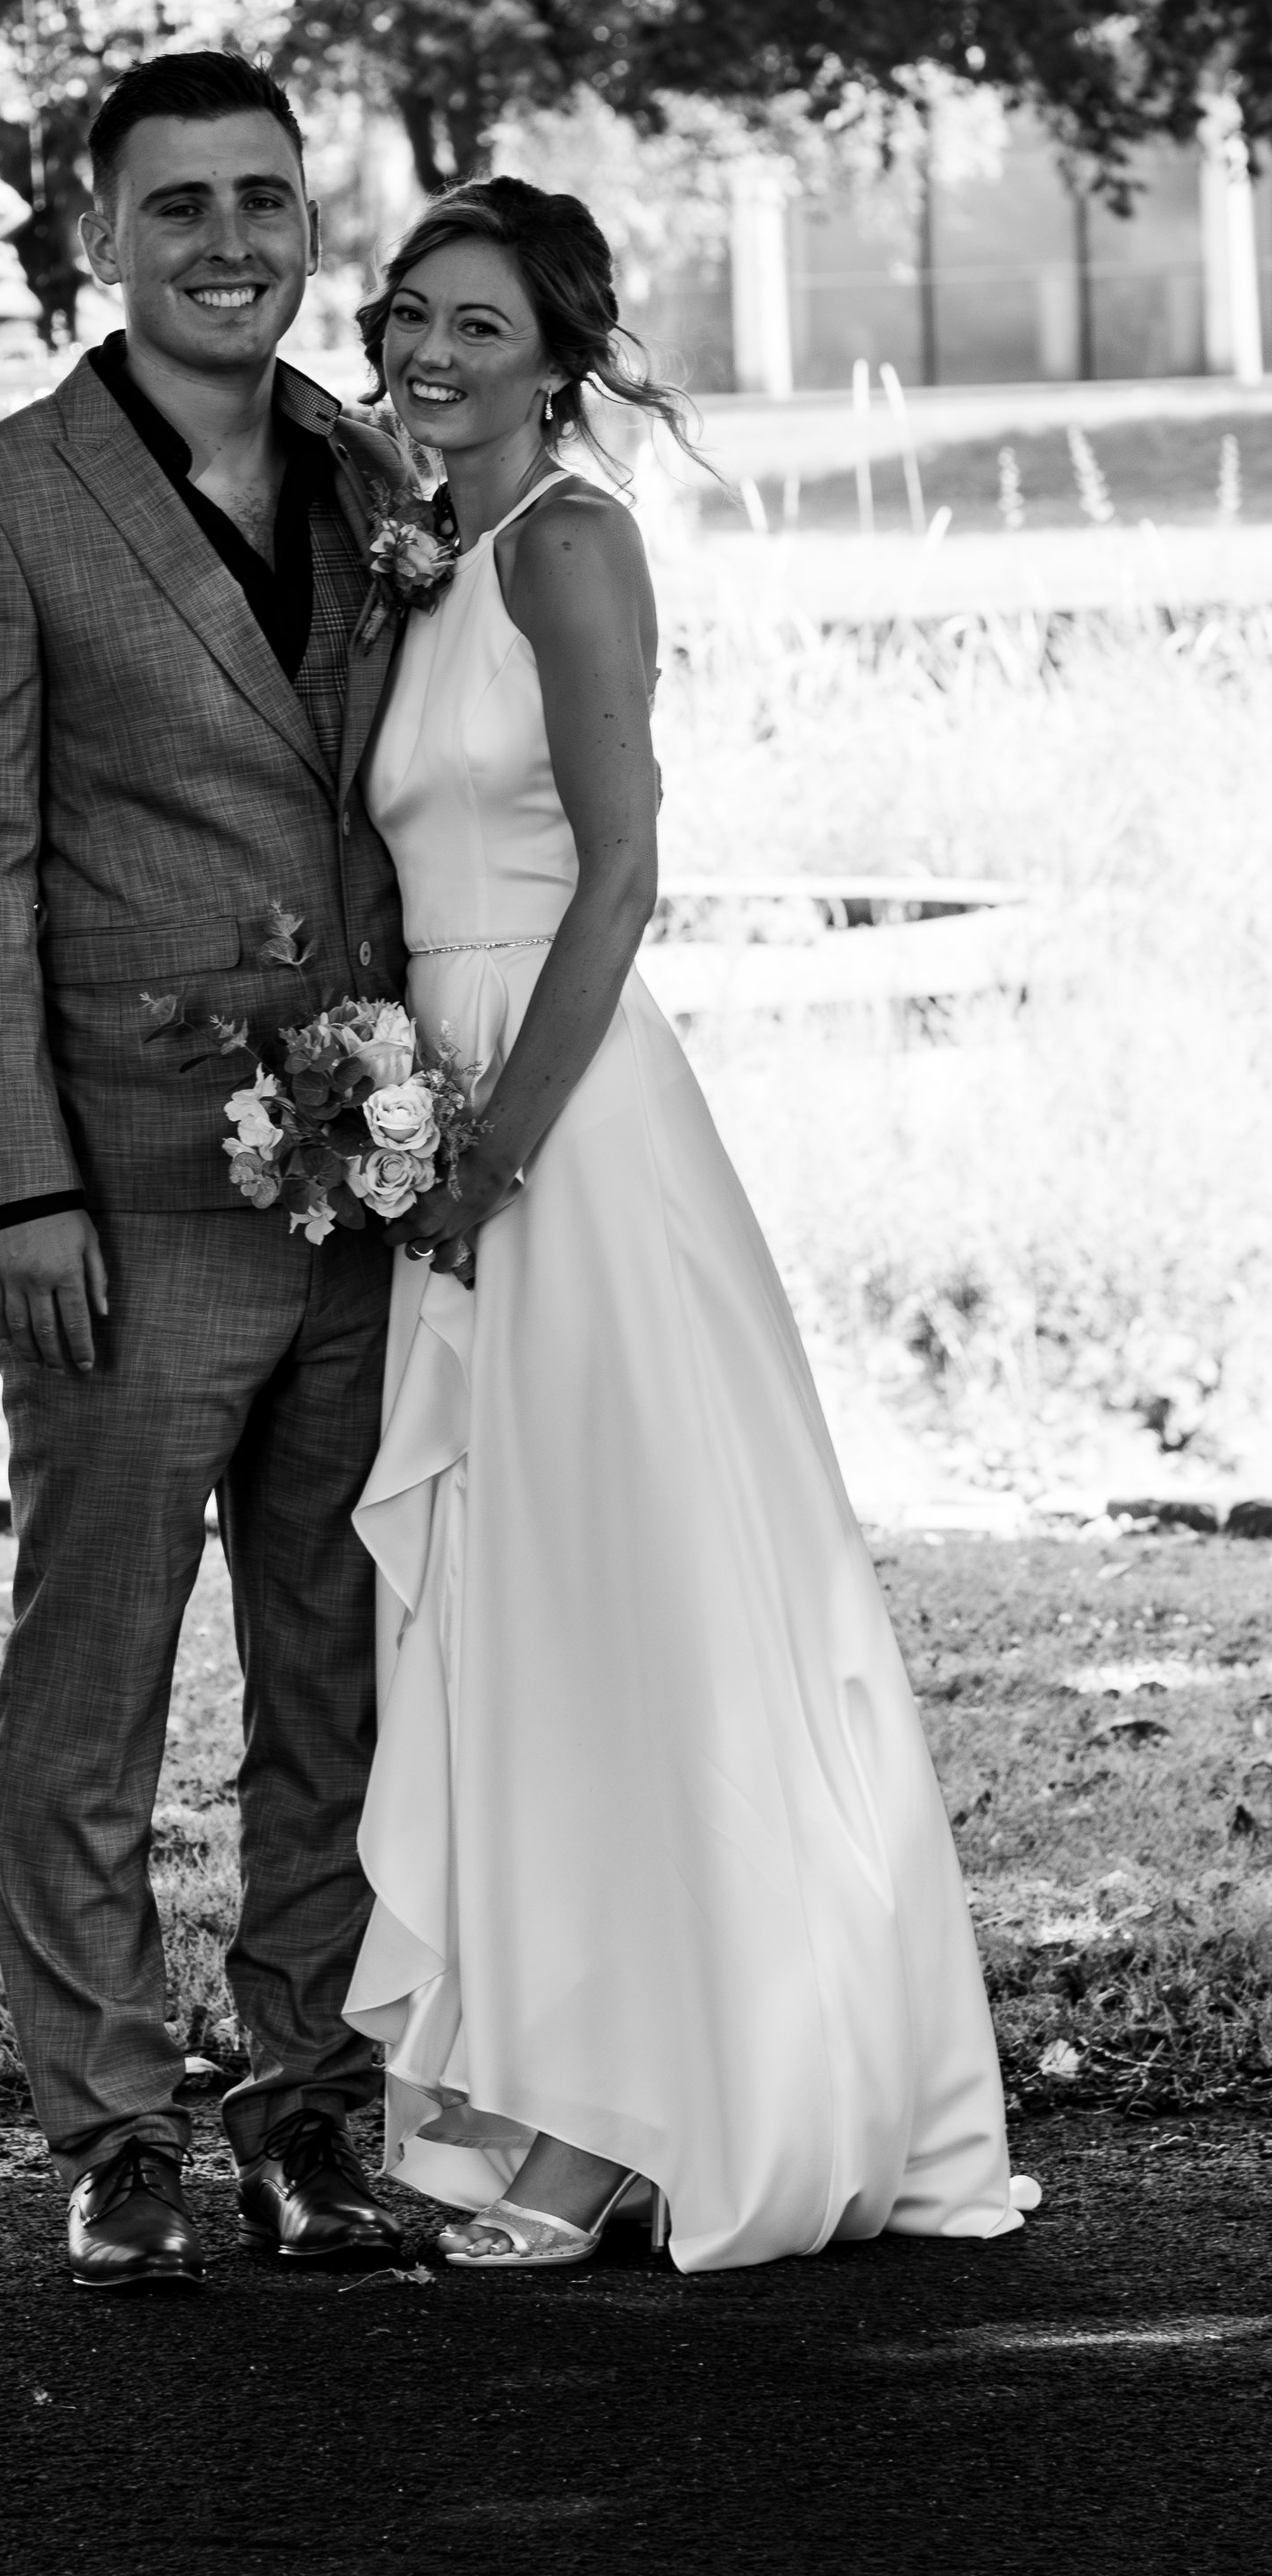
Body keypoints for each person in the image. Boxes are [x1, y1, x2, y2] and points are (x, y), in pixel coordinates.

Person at [342, 177, 1039, 2273]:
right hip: (439, 1103)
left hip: (565, 1123)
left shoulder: (567, 543)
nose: (430, 352)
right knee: (511, 1608)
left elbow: (622, 874)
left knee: (621, 1594)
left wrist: (491, 1157)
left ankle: (615, 2113)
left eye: (476, 324)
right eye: (407, 316)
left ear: (555, 353)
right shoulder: (414, 553)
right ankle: (546, 2065)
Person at [0, 51, 414, 2289]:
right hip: (114, 1202)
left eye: (265, 202)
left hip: (372, 1190)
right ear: (91, 234)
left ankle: (310, 2115)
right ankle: (109, 2130)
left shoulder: (378, 476)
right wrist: (18, 1186)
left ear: (311, 224)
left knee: (345, 1686)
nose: (228, 242)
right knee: (90, 1682)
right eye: (178, 203)